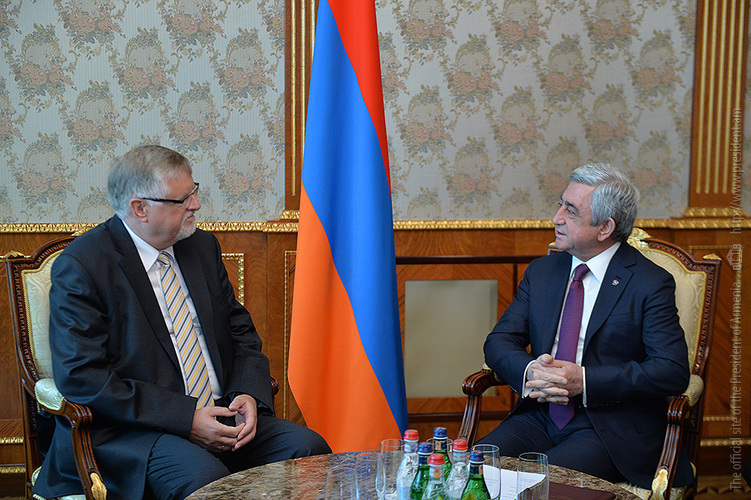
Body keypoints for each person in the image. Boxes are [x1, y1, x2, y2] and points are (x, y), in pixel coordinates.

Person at [38, 145, 331, 500]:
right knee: (205, 478)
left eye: (194, 191)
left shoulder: (201, 247)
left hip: (220, 414)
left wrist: (247, 393)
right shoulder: (84, 266)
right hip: (133, 431)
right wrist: (185, 418)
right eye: (183, 199)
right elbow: (81, 376)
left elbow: (240, 333)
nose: (196, 205)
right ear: (140, 208)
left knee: (308, 448)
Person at [478, 163, 693, 489]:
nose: (556, 218)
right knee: (474, 472)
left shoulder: (649, 283)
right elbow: (499, 341)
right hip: (540, 414)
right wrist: (532, 371)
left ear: (605, 227)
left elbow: (671, 370)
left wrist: (584, 381)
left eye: (571, 211)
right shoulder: (542, 272)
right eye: (560, 204)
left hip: (607, 427)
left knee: (539, 489)